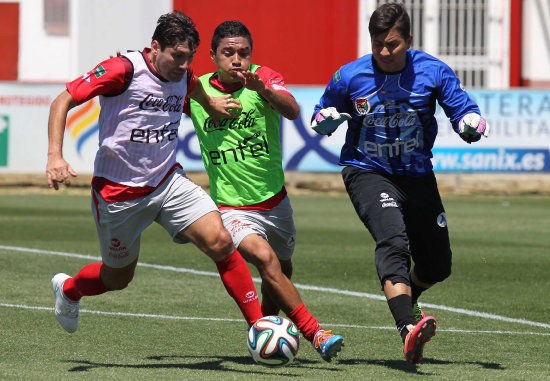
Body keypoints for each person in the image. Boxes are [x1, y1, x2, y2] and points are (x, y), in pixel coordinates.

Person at [47, 11, 265, 335]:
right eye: (177, 56)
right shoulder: (122, 70)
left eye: (189, 58)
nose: (182, 65)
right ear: (154, 47)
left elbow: (193, 89)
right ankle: (69, 291)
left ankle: (259, 327)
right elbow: (63, 99)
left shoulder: (184, 73)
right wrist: (54, 155)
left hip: (167, 182)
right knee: (117, 278)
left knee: (220, 241)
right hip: (119, 195)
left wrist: (212, 104)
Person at [311, 2, 489, 364]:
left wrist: (471, 123)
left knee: (438, 266)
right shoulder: (349, 76)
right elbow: (320, 115)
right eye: (377, 44)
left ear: (409, 39)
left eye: (392, 44)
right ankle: (408, 328)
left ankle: (409, 296)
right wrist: (324, 120)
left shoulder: (433, 71)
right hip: (366, 170)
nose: (384, 52)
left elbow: (462, 110)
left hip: (418, 174)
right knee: (393, 239)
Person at [185, 21, 344, 362]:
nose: (237, 60)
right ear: (213, 55)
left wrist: (265, 91)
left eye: (244, 53)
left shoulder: (263, 77)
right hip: (231, 207)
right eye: (228, 53)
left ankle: (266, 328)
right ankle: (316, 333)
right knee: (266, 259)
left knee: (281, 272)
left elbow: (293, 110)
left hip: (275, 202)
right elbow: (166, 105)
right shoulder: (197, 92)